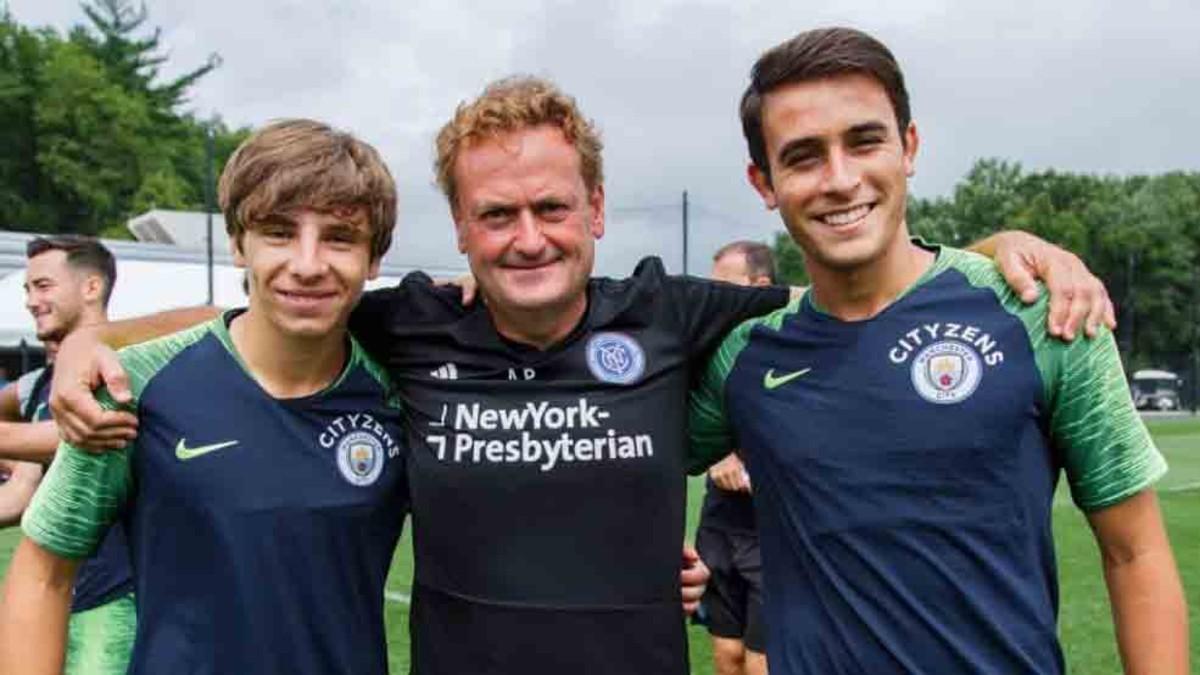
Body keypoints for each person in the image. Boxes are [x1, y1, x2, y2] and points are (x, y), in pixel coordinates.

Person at [48, 78, 1111, 674]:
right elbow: (274, 305)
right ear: (458, 231)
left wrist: (1004, 246)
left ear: (596, 211)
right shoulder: (407, 327)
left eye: (552, 208)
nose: (527, 238)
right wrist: (99, 338)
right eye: (495, 216)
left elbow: (860, 293)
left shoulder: (677, 318)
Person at [690, 27, 1188, 674]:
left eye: (864, 141)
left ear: (910, 146)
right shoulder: (744, 353)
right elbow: (625, 452)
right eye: (804, 155)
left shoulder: (1042, 311)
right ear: (765, 181)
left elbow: (1136, 553)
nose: (840, 179)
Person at [0, 119, 411, 674]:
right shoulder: (134, 383)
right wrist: (88, 340)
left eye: (340, 237)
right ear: (239, 244)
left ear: (375, 257)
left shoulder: (399, 393)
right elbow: (44, 570)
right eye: (279, 233)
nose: (308, 264)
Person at [0, 235, 136, 674]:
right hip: (49, 595)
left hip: (115, 600)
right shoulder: (42, 387)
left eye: (43, 286)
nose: (31, 301)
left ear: (91, 288)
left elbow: (72, 434)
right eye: (27, 290)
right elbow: (21, 493)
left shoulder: (125, 368)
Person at [695, 241, 775, 675]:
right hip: (720, 523)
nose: (713, 296)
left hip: (771, 533)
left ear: (759, 286)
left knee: (761, 663)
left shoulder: (792, 339)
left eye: (723, 287)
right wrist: (719, 454)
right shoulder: (707, 341)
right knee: (727, 657)